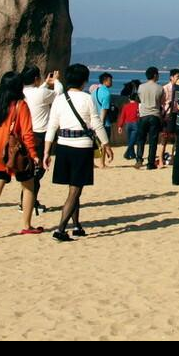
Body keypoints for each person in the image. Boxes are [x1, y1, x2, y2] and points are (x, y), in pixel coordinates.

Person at [45, 63, 113, 242]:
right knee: (75, 190)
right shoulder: (86, 98)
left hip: (63, 146)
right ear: (84, 81)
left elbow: (52, 125)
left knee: (75, 188)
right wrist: (106, 144)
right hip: (81, 147)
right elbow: (96, 123)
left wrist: (46, 151)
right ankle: (60, 229)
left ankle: (76, 226)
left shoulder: (60, 99)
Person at [0, 72, 42, 241]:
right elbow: (27, 133)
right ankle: (26, 225)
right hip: (15, 154)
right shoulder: (21, 105)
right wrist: (34, 154)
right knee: (29, 187)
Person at [21, 65, 61, 215]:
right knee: (39, 170)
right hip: (41, 135)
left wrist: (46, 83)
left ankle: (25, 201)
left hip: (25, 134)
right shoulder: (40, 93)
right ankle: (30, 202)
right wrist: (56, 81)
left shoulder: (22, 93)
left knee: (28, 170)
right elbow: (59, 94)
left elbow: (40, 93)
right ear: (36, 78)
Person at [135, 67, 164, 169]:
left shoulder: (141, 87)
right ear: (155, 75)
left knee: (141, 139)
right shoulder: (160, 88)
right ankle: (150, 163)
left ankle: (139, 159)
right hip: (155, 115)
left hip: (143, 115)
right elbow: (161, 103)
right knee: (153, 141)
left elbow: (139, 100)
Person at [92, 73, 114, 166]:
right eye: (110, 80)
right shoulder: (106, 93)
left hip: (93, 120)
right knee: (104, 143)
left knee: (93, 143)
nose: (111, 82)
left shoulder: (94, 91)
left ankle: (92, 163)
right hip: (104, 122)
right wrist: (102, 123)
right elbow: (104, 110)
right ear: (105, 81)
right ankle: (102, 163)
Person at [159, 68, 178, 167]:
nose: (178, 79)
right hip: (167, 115)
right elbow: (161, 103)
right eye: (177, 76)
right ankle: (161, 160)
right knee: (164, 139)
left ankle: (173, 159)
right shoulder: (165, 88)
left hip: (176, 114)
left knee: (176, 138)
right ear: (171, 77)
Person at [118, 84, 141, 160]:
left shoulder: (125, 106)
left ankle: (132, 154)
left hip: (127, 124)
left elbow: (122, 116)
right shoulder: (138, 105)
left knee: (130, 139)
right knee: (133, 140)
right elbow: (139, 115)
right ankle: (127, 153)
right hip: (135, 123)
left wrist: (120, 126)